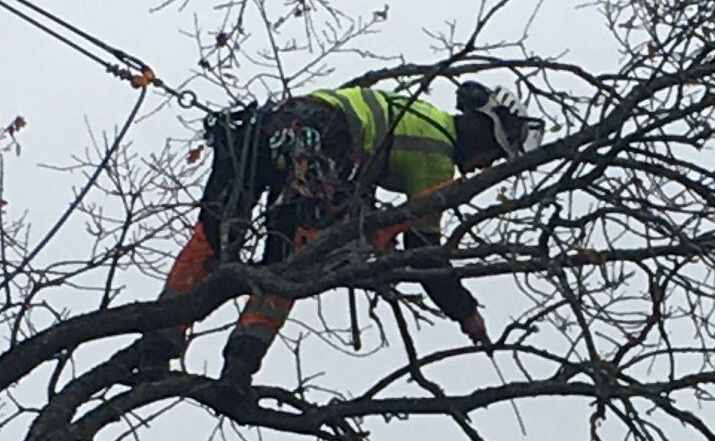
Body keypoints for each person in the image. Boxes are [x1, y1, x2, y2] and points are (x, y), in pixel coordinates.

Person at [136, 80, 544, 393]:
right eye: (493, 156)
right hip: (323, 142)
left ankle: (157, 344)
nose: (482, 167)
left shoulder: (418, 112)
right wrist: (465, 312)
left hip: (272, 128)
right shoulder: (436, 159)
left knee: (215, 235)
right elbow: (424, 256)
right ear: (488, 134)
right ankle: (239, 368)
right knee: (294, 264)